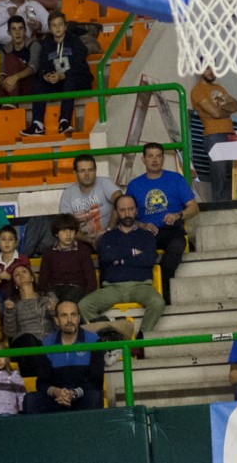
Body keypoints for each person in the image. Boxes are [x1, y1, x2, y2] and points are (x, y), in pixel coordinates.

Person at [78, 195, 166, 336]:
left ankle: (141, 338)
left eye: (130, 209)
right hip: (112, 288)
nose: (127, 213)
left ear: (136, 210)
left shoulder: (146, 236)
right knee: (84, 305)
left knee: (158, 302)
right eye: (122, 210)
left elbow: (149, 259)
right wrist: (134, 252)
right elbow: (106, 257)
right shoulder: (106, 237)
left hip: (141, 286)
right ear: (116, 212)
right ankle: (107, 334)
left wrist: (119, 259)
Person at [124, 142, 198, 304]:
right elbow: (126, 215)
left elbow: (194, 208)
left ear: (163, 159)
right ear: (143, 159)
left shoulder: (176, 179)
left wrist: (178, 215)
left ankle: (164, 291)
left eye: (158, 156)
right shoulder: (134, 185)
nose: (154, 160)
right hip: (144, 232)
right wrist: (142, 225)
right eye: (150, 156)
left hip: (171, 229)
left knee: (176, 247)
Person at [23, 300, 104, 414]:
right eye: (64, 315)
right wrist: (57, 392)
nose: (69, 320)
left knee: (94, 396)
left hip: (83, 396)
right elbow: (42, 383)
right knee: (31, 400)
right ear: (56, 320)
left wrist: (73, 393)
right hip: (56, 398)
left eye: (73, 315)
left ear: (79, 318)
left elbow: (96, 381)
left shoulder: (94, 341)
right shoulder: (46, 344)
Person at [22, 11, 91, 137]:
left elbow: (80, 65)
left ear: (65, 26)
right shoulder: (46, 44)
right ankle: (37, 125)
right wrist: (47, 76)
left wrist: (63, 75)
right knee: (39, 82)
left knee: (70, 79)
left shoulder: (75, 41)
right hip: (59, 82)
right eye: (54, 25)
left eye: (60, 24)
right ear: (49, 28)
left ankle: (64, 122)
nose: (57, 28)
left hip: (78, 81)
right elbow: (42, 65)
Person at [191, 67, 237, 202]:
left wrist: (223, 111)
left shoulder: (218, 88)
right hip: (214, 135)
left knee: (236, 171)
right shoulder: (198, 90)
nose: (211, 71)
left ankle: (235, 203)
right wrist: (227, 110)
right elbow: (216, 113)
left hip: (230, 134)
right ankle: (220, 206)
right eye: (207, 68)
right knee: (219, 174)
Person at [59, 153, 122, 250]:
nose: (87, 174)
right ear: (75, 173)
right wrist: (89, 240)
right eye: (82, 171)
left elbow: (121, 201)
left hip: (110, 237)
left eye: (90, 170)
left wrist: (108, 231)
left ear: (95, 171)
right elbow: (65, 224)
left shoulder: (104, 183)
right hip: (81, 241)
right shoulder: (68, 193)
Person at [3, 263, 55, 376]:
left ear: (32, 278)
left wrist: (52, 311)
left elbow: (58, 326)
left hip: (46, 342)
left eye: (24, 272)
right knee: (28, 338)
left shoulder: (47, 299)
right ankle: (46, 376)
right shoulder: (12, 303)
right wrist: (9, 312)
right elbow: (10, 333)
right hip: (23, 344)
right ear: (15, 284)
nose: (20, 275)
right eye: (16, 274)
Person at [38, 214, 98, 303]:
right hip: (55, 290)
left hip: (77, 289)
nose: (68, 234)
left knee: (69, 302)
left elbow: (91, 280)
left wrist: (85, 298)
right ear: (56, 233)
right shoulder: (49, 252)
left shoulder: (83, 250)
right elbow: (43, 280)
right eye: (64, 231)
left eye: (71, 230)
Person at [0, 15, 41, 109]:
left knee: (10, 58)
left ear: (25, 30)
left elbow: (33, 67)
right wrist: (4, 84)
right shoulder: (5, 50)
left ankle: (12, 102)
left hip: (30, 84)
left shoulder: (34, 44)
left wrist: (15, 77)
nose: (17, 32)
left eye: (20, 28)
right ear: (9, 32)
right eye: (14, 29)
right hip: (11, 87)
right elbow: (1, 73)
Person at [0, 225, 30, 309]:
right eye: (3, 239)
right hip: (1, 295)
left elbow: (27, 281)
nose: (7, 242)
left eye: (11, 239)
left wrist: (11, 278)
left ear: (16, 243)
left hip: (18, 292)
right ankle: (2, 318)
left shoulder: (22, 259)